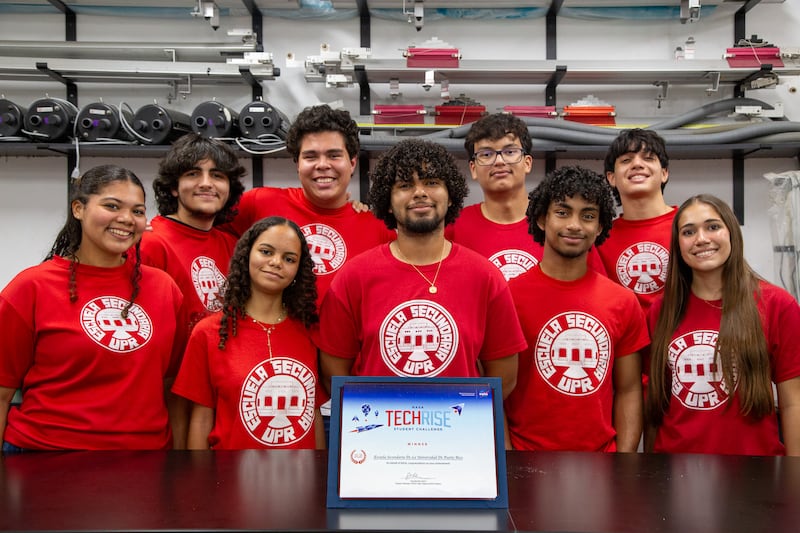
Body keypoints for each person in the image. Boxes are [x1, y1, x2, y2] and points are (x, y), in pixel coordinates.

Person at [318, 138, 525, 399]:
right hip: (379, 434)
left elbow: (504, 378)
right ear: (388, 202)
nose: (420, 192)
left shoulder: (485, 276)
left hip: (459, 432)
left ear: (450, 197)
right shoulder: (354, 277)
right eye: (405, 185)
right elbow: (334, 376)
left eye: (431, 182)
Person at [0, 164, 184, 451]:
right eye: (112, 206)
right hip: (46, 457)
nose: (126, 219)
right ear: (78, 209)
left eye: (137, 211)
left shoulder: (164, 288)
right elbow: (2, 392)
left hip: (144, 460)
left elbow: (171, 385)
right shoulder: (31, 287)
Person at [505, 165, 648, 452]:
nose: (574, 224)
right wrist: (508, 459)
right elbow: (495, 391)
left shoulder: (623, 302)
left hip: (601, 464)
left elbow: (629, 389)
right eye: (563, 212)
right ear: (542, 219)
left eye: (588, 216)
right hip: (524, 462)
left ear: (600, 227)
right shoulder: (508, 297)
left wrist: (623, 461)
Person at [645, 194, 800, 456]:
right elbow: (656, 402)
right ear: (678, 244)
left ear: (731, 234)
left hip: (754, 475)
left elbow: (793, 402)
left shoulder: (777, 304)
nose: (701, 239)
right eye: (688, 231)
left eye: (712, 226)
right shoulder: (661, 310)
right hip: (673, 473)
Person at [173, 216, 324, 450]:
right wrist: (199, 482)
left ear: (298, 270)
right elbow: (201, 419)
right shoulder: (209, 333)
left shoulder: (310, 331)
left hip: (299, 479)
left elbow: (311, 416)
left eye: (289, 258)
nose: (276, 262)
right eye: (266, 251)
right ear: (246, 256)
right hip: (230, 479)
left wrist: (318, 472)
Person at [226, 104, 395, 303]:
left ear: (352, 163)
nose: (322, 165)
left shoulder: (378, 228)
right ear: (298, 164)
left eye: (334, 155)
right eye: (310, 156)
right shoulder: (259, 203)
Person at [448, 112, 606, 281]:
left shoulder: (562, 225)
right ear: (473, 169)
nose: (499, 161)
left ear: (527, 163)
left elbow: (597, 294)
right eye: (486, 154)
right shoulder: (453, 229)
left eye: (510, 151)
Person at [141, 133, 246, 334]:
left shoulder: (234, 246)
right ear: (174, 187)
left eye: (217, 175)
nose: (206, 183)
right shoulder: (151, 242)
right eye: (193, 174)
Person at [598, 128, 676, 315]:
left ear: (664, 173)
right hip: (628, 342)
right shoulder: (600, 239)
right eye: (626, 160)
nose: (637, 164)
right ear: (612, 178)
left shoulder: (690, 227)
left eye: (648, 158)